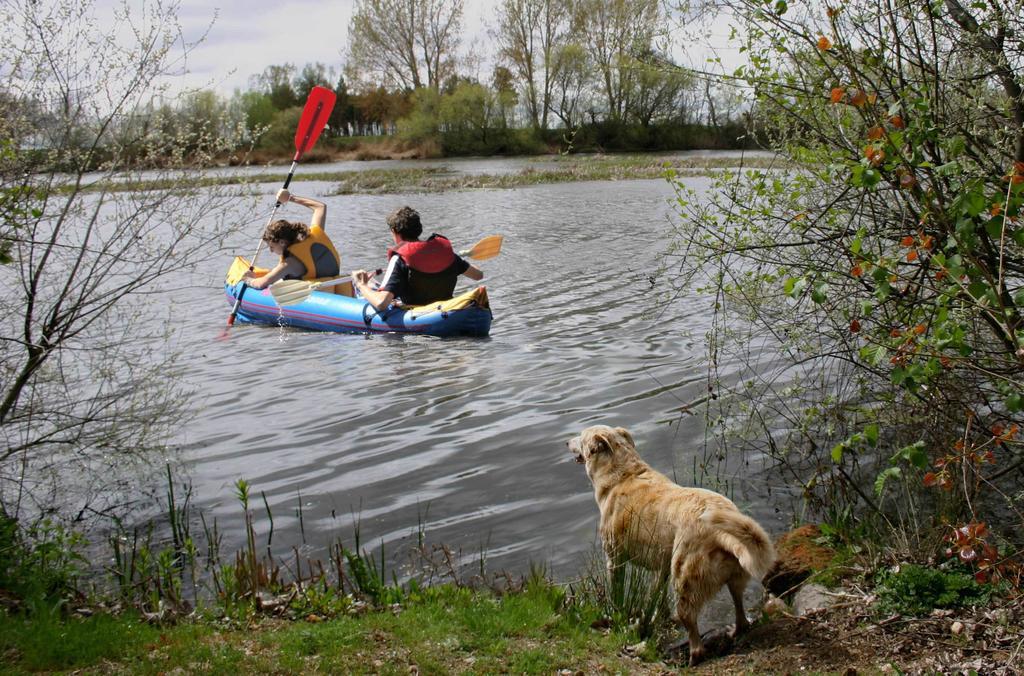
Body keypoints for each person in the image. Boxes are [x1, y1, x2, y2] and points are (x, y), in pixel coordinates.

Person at [352, 206, 483, 311]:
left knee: (369, 287)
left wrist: (361, 285)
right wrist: (456, 260)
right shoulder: (445, 253)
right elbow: (478, 275)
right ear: (419, 229)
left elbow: (381, 303)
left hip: (419, 315)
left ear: (394, 231)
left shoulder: (399, 259)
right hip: (446, 309)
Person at [242, 188, 341, 290]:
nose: (271, 251)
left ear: (282, 242)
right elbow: (320, 207)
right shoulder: (313, 235)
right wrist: (290, 198)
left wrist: (248, 279)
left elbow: (261, 284)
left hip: (317, 297)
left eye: (271, 246)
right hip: (335, 289)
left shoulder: (288, 264)